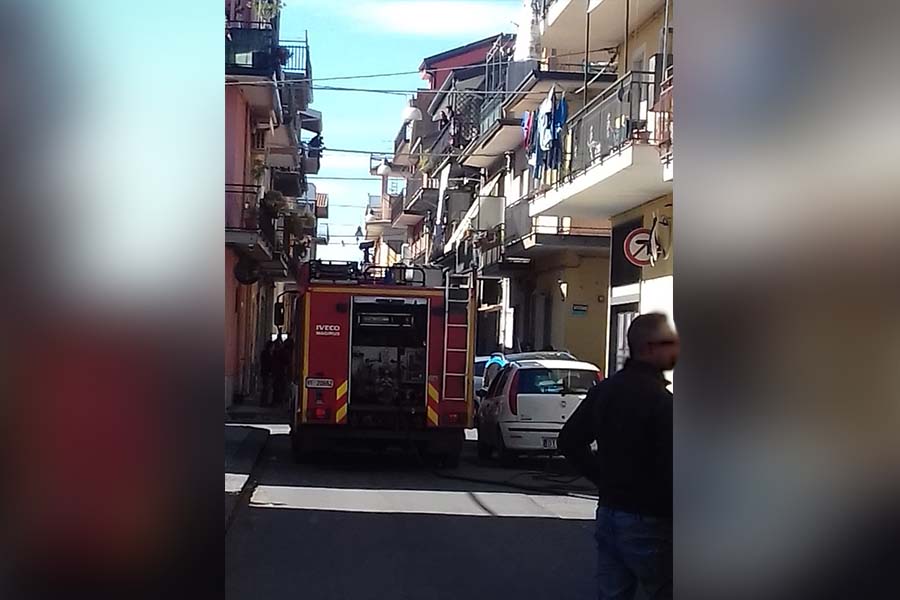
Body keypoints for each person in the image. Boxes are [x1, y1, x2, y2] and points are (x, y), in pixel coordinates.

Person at [558, 313, 678, 600]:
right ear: (650, 348)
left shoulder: (606, 391)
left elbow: (569, 440)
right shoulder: (662, 403)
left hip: (610, 513)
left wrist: (603, 478)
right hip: (650, 520)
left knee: (613, 593)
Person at [259, 339, 275, 406]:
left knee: (265, 387)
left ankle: (264, 401)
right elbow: (269, 363)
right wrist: (270, 371)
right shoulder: (268, 354)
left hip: (264, 372)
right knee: (267, 388)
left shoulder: (264, 353)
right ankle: (264, 402)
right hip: (267, 372)